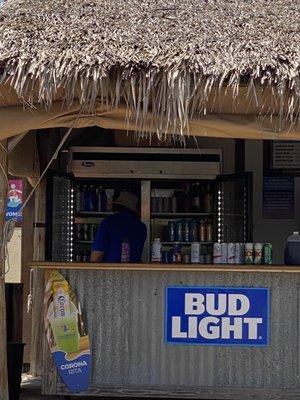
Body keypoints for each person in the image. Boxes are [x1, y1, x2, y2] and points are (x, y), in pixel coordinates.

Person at [91, 191, 147, 263]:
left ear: (118, 206)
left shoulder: (108, 223)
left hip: (110, 270)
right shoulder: (141, 227)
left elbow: (96, 256)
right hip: (135, 271)